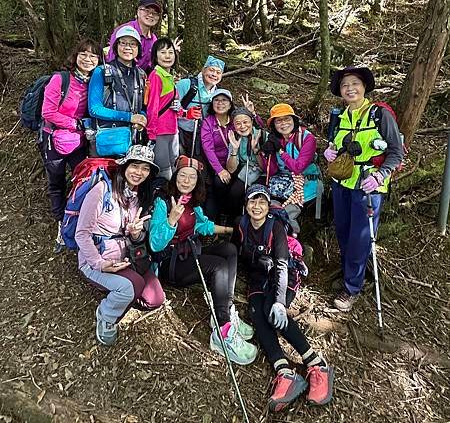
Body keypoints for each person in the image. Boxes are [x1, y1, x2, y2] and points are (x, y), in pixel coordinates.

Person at [149, 155, 257, 365]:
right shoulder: (163, 201)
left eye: (192, 177)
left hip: (190, 253)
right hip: (171, 263)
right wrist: (172, 219)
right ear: (175, 177)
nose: (187, 181)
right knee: (218, 267)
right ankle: (223, 332)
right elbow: (155, 244)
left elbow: (202, 226)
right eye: (182, 176)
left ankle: (225, 308)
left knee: (229, 250)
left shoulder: (193, 203)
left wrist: (231, 230)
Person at [237, 185, 334, 412]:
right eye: (252, 201)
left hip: (284, 275)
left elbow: (281, 264)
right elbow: (239, 251)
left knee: (272, 311)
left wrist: (280, 302)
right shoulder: (241, 224)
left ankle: (317, 365)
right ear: (246, 204)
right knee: (258, 315)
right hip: (258, 277)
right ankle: (285, 373)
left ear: (268, 205)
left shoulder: (276, 226)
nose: (257, 206)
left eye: (262, 202)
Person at [324, 66, 403, 312]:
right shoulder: (339, 116)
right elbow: (333, 145)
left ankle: (352, 288)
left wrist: (380, 175)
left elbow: (396, 152)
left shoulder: (380, 115)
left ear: (364, 87)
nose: (350, 88)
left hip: (369, 186)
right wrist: (328, 153)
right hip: (342, 183)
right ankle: (353, 272)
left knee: (360, 238)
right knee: (344, 232)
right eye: (345, 85)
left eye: (355, 83)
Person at [75, 144, 165, 346]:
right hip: (98, 259)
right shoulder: (101, 192)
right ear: (124, 166)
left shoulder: (136, 196)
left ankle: (124, 293)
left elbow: (134, 237)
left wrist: (135, 233)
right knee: (131, 287)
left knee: (155, 298)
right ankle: (106, 315)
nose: (139, 173)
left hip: (127, 257)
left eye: (145, 168)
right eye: (135, 166)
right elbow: (81, 234)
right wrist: (99, 263)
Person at [41, 38, 102, 253]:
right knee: (56, 183)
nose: (88, 59)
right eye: (83, 54)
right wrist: (75, 123)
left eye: (93, 55)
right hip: (54, 139)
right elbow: (47, 112)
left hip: (79, 142)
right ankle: (60, 225)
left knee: (81, 183)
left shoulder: (93, 83)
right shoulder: (60, 79)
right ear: (75, 57)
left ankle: (76, 223)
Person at [260, 103, 321, 234]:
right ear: (273, 125)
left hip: (305, 181)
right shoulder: (275, 139)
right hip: (282, 182)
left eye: (287, 119)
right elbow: (271, 171)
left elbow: (298, 168)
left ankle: (292, 236)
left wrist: (281, 153)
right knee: (268, 206)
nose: (283, 124)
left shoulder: (307, 138)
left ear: (294, 120)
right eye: (278, 121)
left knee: (287, 212)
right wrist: (265, 155)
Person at [146, 37, 201, 180]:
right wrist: (151, 135)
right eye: (163, 52)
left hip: (173, 131)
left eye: (170, 52)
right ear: (155, 56)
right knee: (164, 173)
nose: (167, 56)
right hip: (160, 133)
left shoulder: (169, 77)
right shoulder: (156, 76)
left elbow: (172, 107)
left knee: (174, 168)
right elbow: (152, 107)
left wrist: (187, 113)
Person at [88, 26, 147, 157]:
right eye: (123, 43)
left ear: (139, 48)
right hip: (107, 140)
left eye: (133, 44)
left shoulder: (141, 74)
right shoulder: (102, 71)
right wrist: (129, 118)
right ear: (116, 46)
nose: (128, 47)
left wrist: (142, 118)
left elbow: (142, 106)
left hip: (134, 140)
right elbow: (94, 109)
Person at [106, 0, 182, 73]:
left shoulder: (153, 39)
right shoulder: (124, 31)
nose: (151, 15)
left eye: (155, 13)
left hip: (139, 80)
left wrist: (170, 51)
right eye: (147, 10)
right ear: (138, 12)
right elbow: (112, 58)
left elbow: (154, 65)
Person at [176, 55, 225, 157]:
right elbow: (168, 109)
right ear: (203, 70)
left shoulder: (217, 93)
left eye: (218, 72)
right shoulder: (185, 85)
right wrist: (185, 114)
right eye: (211, 70)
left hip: (203, 136)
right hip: (179, 134)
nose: (214, 74)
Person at [226, 107, 266, 222]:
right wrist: (234, 150)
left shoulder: (263, 136)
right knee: (235, 193)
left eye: (245, 122)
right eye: (238, 124)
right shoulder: (235, 138)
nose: (242, 126)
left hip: (262, 172)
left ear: (252, 122)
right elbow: (231, 169)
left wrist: (256, 151)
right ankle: (234, 222)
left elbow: (265, 168)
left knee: (255, 194)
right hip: (245, 170)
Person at [200, 88, 235, 221]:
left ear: (230, 104)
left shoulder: (234, 120)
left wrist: (253, 114)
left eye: (224, 100)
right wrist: (220, 170)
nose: (220, 103)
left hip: (235, 161)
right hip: (215, 165)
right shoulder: (208, 122)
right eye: (217, 100)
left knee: (236, 190)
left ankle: (231, 216)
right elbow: (208, 149)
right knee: (218, 184)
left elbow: (252, 128)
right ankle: (216, 219)